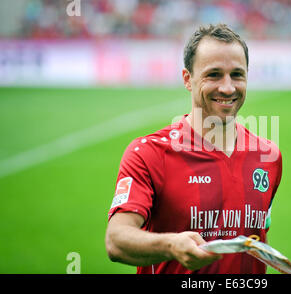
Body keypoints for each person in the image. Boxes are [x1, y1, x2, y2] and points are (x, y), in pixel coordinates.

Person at [105, 23, 282, 274]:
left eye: (237, 74)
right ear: (188, 79)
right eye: (214, 74)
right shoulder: (149, 153)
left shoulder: (269, 156)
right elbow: (116, 241)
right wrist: (170, 245)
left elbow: (255, 239)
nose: (228, 87)